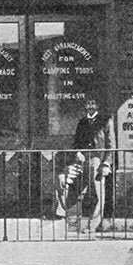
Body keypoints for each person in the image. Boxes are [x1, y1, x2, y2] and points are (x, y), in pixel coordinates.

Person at [55, 96, 115, 232]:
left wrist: (106, 163)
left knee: (99, 192)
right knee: (66, 182)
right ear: (85, 106)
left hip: (97, 161)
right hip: (81, 160)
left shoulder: (106, 121)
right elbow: (76, 142)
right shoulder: (82, 122)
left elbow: (111, 145)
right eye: (88, 103)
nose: (91, 106)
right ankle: (63, 218)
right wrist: (77, 153)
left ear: (97, 105)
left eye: (93, 103)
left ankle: (94, 225)